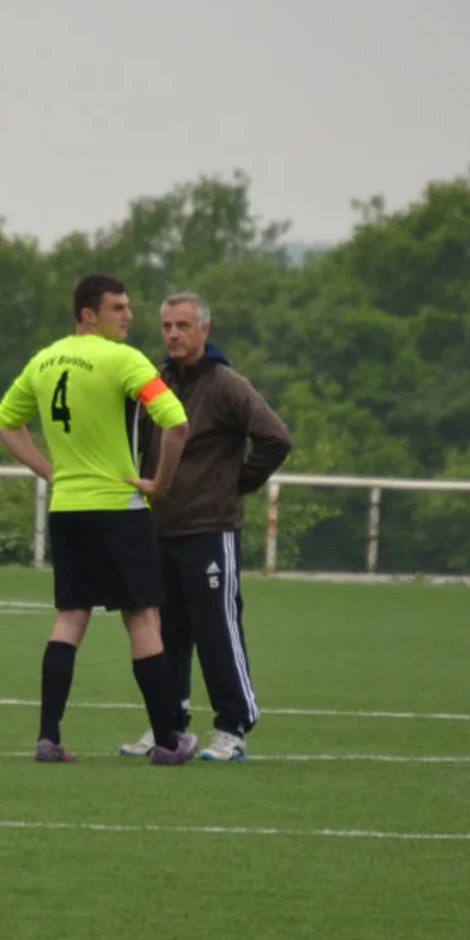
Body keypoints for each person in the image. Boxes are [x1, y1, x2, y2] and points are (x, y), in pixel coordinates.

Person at [0, 272, 198, 765]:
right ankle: (170, 742)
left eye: (128, 307)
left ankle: (48, 738)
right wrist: (161, 484)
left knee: (69, 619)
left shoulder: (43, 360)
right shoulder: (124, 360)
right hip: (119, 508)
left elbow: (5, 422)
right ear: (88, 314)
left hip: (67, 509)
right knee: (144, 619)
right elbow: (177, 423)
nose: (128, 316)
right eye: (117, 309)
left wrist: (51, 473)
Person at [122, 293, 292, 762]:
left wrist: (236, 485)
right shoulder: (156, 383)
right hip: (162, 527)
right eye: (166, 326)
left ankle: (233, 727)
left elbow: (276, 438)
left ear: (204, 331)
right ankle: (169, 725)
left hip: (209, 528)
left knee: (217, 627)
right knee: (167, 631)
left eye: (182, 325)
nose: (173, 334)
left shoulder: (226, 385)